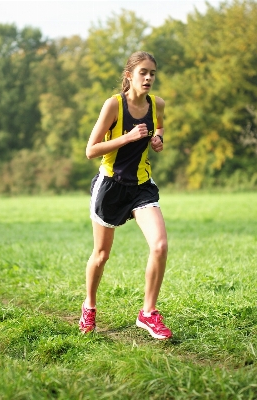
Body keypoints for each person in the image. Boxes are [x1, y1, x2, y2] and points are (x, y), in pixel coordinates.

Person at [79, 51, 172, 340]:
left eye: (152, 73)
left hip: (141, 185)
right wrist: (128, 137)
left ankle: (148, 312)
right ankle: (90, 306)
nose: (148, 78)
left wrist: (158, 139)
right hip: (111, 187)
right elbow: (90, 150)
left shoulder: (157, 104)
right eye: (142, 72)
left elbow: (160, 126)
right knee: (102, 254)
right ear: (129, 75)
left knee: (159, 245)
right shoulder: (114, 106)